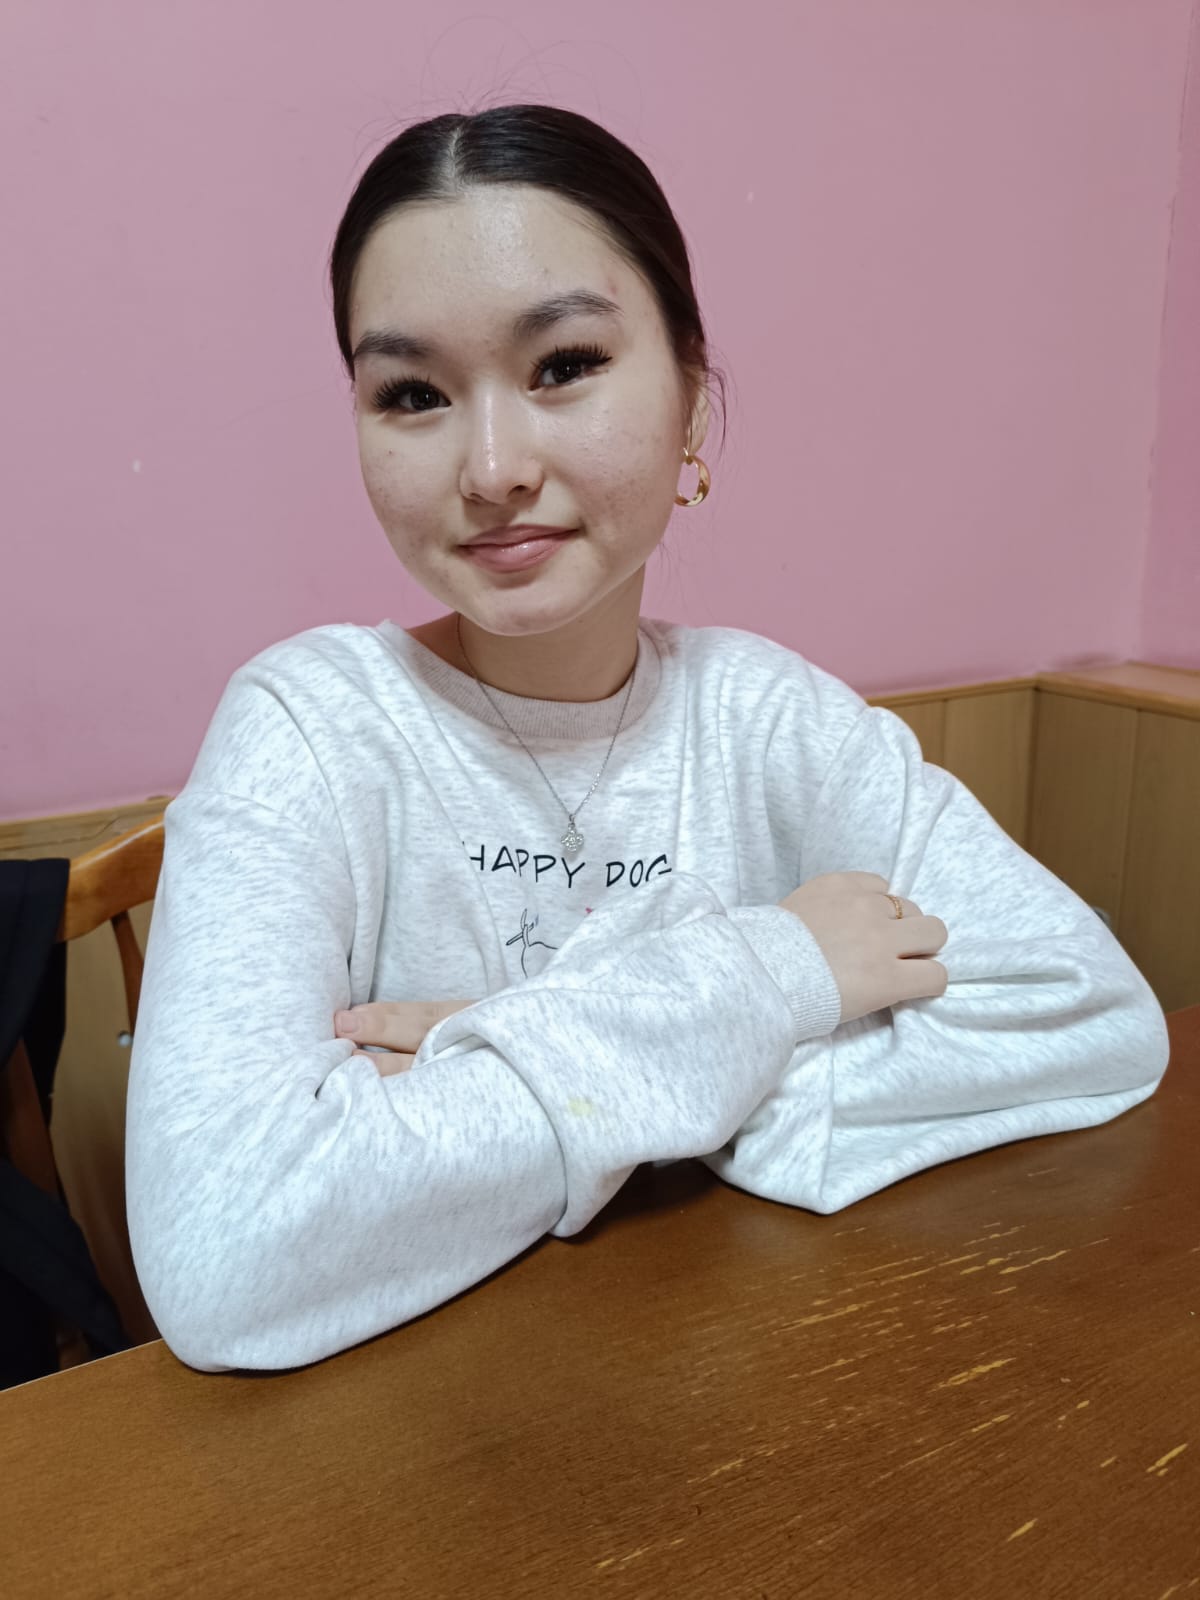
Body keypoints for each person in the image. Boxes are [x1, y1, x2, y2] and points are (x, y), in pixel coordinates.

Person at [125, 104, 1170, 1376]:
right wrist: (769, 977)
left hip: (749, 1396)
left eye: (564, 363)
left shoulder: (772, 717)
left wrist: (532, 1051)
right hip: (417, 1441)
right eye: (413, 393)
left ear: (689, 395)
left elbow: (1087, 1012)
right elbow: (231, 1254)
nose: (493, 467)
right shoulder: (308, 728)